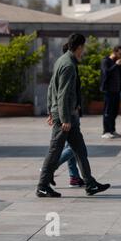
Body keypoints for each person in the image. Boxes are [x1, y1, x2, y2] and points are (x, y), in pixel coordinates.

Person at [36, 33, 111, 198]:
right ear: (79, 47)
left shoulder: (61, 60)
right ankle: (42, 186)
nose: (83, 51)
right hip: (66, 116)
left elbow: (51, 88)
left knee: (80, 150)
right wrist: (63, 118)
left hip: (67, 115)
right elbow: (62, 94)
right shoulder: (68, 65)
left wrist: (51, 109)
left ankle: (90, 184)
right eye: (83, 48)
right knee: (55, 151)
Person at [100, 46, 121, 139]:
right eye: (119, 54)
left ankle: (112, 130)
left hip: (116, 90)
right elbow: (106, 73)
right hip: (108, 90)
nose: (120, 56)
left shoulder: (117, 62)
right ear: (114, 52)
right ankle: (105, 131)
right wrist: (116, 65)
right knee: (107, 111)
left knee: (114, 111)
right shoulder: (105, 61)